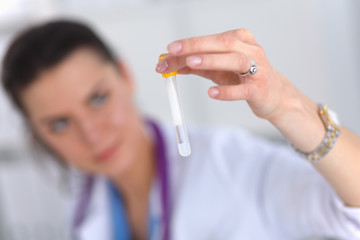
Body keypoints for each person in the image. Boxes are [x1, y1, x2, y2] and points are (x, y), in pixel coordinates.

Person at [1, 19, 360, 240]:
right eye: (60, 124)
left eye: (97, 99)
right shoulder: (83, 209)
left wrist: (287, 106)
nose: (91, 133)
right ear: (38, 132)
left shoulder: (231, 163)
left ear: (125, 77)